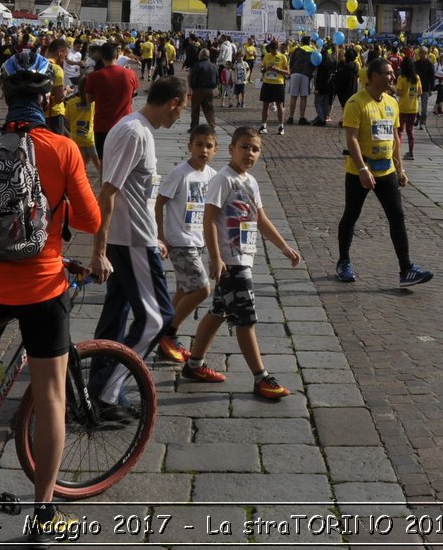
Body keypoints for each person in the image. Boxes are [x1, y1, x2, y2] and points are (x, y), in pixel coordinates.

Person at [0, 47, 102, 542]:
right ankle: (44, 512)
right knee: (52, 398)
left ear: (4, 94)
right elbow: (89, 220)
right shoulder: (62, 149)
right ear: (49, 96)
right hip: (43, 287)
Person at [89, 75, 188, 411]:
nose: (178, 119)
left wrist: (155, 237)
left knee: (117, 312)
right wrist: (99, 251)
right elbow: (108, 191)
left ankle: (100, 382)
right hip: (130, 240)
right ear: (173, 102)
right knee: (157, 318)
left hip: (134, 237)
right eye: (180, 111)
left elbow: (135, 194)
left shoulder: (136, 129)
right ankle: (108, 391)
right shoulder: (134, 131)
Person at [181, 126, 302, 398]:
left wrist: (283, 246)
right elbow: (209, 220)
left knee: (219, 312)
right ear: (231, 149)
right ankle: (261, 377)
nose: (249, 153)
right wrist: (215, 258)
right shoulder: (223, 180)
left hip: (243, 257)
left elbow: (260, 219)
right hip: (231, 261)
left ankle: (193, 365)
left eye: (255, 149)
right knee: (246, 317)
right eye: (244, 147)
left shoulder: (250, 182)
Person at [335, 57, 432, 286]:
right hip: (361, 170)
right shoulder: (355, 103)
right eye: (387, 73)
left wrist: (400, 169)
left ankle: (406, 269)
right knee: (351, 214)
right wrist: (361, 169)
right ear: (374, 76)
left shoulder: (392, 102)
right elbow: (352, 139)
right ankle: (343, 262)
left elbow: (395, 139)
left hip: (386, 169)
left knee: (397, 217)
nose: (392, 76)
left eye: (392, 72)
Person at [153, 124, 218, 364]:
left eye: (208, 146)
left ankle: (163, 330)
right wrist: (161, 235)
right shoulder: (180, 174)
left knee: (184, 288)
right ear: (190, 146)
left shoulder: (212, 176)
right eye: (199, 144)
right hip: (180, 242)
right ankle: (168, 333)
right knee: (201, 289)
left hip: (197, 241)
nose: (203, 150)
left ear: (215, 150)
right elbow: (159, 203)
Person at [85, 43, 140, 160]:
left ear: (102, 56)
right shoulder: (130, 74)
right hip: (125, 125)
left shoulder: (94, 76)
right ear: (117, 55)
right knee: (123, 164)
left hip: (102, 126)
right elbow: (132, 98)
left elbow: (89, 100)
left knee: (104, 164)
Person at [257, 38, 290, 135]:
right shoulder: (267, 56)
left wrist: (277, 70)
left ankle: (281, 127)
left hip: (278, 83)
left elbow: (288, 72)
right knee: (265, 105)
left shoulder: (282, 57)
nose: (272, 52)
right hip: (267, 83)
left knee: (279, 106)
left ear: (277, 49)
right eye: (271, 50)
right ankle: (263, 125)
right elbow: (262, 69)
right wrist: (266, 68)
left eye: (274, 51)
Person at [395, 56, 423, 161]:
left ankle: (397, 151)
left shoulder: (401, 78)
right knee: (410, 131)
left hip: (402, 108)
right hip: (413, 108)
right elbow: (420, 92)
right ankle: (411, 152)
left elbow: (398, 92)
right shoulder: (417, 77)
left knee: (400, 131)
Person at [188, 48, 220, 132]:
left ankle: (194, 127)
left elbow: (193, 78)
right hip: (210, 89)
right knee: (209, 108)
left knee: (195, 109)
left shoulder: (197, 65)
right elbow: (217, 78)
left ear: (201, 56)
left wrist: (192, 87)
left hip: (198, 89)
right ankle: (212, 125)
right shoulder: (213, 65)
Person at [287, 34, 316, 124]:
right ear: (309, 42)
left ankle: (291, 117)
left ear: (302, 42)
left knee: (293, 96)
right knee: (303, 97)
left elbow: (291, 62)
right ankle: (301, 117)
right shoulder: (313, 51)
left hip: (295, 73)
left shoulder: (297, 50)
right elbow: (314, 64)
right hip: (306, 75)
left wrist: (291, 71)